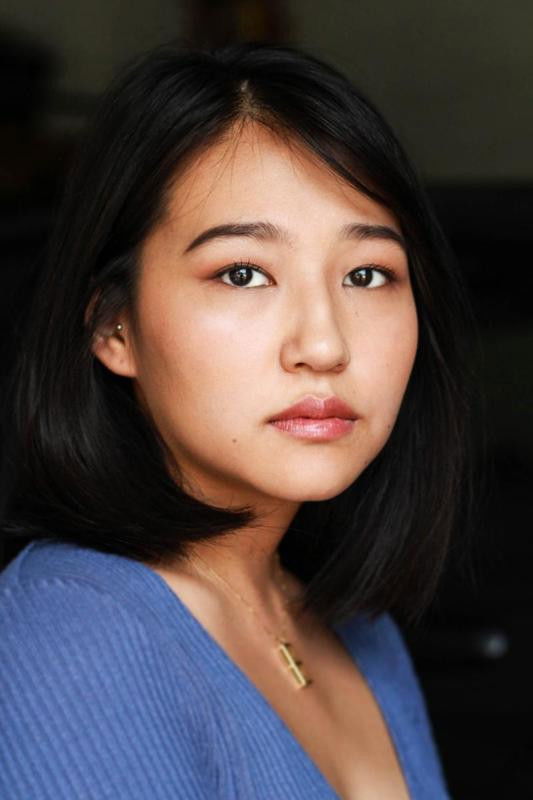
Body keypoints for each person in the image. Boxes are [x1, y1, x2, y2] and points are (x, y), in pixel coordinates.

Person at [0, 41, 477, 799]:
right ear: (113, 326)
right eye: (243, 273)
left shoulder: (360, 632)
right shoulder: (70, 634)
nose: (324, 344)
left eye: (366, 274)